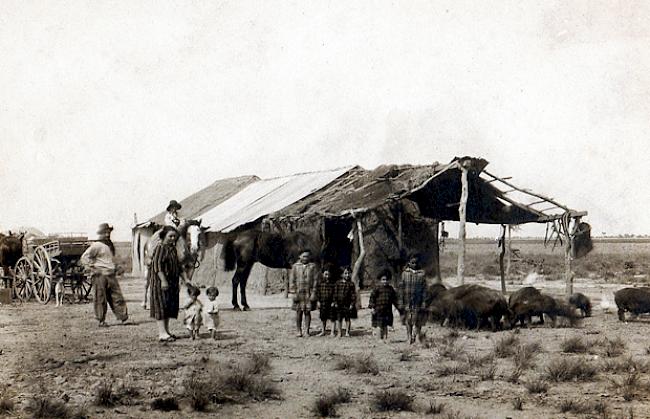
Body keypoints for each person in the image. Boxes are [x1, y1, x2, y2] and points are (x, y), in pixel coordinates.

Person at [80, 223, 128, 327]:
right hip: (100, 275)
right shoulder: (96, 245)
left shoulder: (110, 246)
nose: (107, 234)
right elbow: (84, 257)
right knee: (100, 298)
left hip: (111, 274)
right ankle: (101, 320)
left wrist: (117, 267)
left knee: (117, 296)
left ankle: (122, 318)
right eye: (105, 232)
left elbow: (111, 260)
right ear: (100, 233)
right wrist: (92, 268)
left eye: (108, 232)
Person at [149, 226, 182, 342]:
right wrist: (163, 280)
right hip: (160, 283)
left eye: (174, 236)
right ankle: (162, 333)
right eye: (170, 236)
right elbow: (157, 266)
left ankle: (167, 331)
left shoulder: (172, 249)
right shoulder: (160, 248)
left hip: (172, 282)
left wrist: (185, 280)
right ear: (164, 236)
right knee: (161, 306)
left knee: (168, 307)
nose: (172, 238)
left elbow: (177, 266)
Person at [398, 255, 427, 344]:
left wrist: (424, 301)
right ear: (409, 263)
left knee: (418, 319)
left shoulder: (421, 274)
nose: (414, 264)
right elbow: (401, 288)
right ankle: (409, 336)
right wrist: (400, 301)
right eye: (412, 262)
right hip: (407, 300)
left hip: (417, 301)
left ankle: (416, 336)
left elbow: (424, 289)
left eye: (416, 263)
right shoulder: (404, 274)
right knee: (408, 320)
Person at [290, 250, 317, 337]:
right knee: (298, 312)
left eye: (307, 256)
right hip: (299, 292)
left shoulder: (312, 266)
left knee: (307, 312)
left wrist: (313, 293)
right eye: (303, 256)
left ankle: (307, 330)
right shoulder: (295, 267)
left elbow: (315, 280)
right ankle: (299, 330)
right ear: (299, 257)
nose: (305, 258)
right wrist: (293, 292)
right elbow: (292, 280)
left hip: (308, 292)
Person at [368, 270, 399, 341]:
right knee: (379, 325)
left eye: (387, 280)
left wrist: (397, 306)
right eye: (383, 280)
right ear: (380, 280)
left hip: (387, 310)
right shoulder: (377, 289)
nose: (385, 281)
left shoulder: (390, 289)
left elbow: (394, 299)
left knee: (385, 325)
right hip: (378, 310)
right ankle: (379, 339)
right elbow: (372, 298)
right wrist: (372, 307)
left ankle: (385, 338)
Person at [333, 266, 357, 338]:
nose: (347, 275)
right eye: (345, 273)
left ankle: (347, 332)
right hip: (339, 304)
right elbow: (335, 293)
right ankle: (339, 332)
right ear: (341, 274)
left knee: (347, 318)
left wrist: (352, 304)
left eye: (348, 273)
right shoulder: (338, 283)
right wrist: (335, 302)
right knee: (339, 318)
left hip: (347, 303)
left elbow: (353, 295)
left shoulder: (351, 284)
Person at [315, 264, 336, 337]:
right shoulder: (320, 283)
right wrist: (318, 301)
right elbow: (318, 293)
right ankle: (323, 331)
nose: (327, 276)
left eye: (328, 274)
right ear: (322, 274)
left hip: (330, 303)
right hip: (323, 302)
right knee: (323, 317)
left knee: (332, 317)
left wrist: (334, 301)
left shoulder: (333, 283)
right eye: (326, 274)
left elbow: (335, 293)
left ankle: (332, 332)